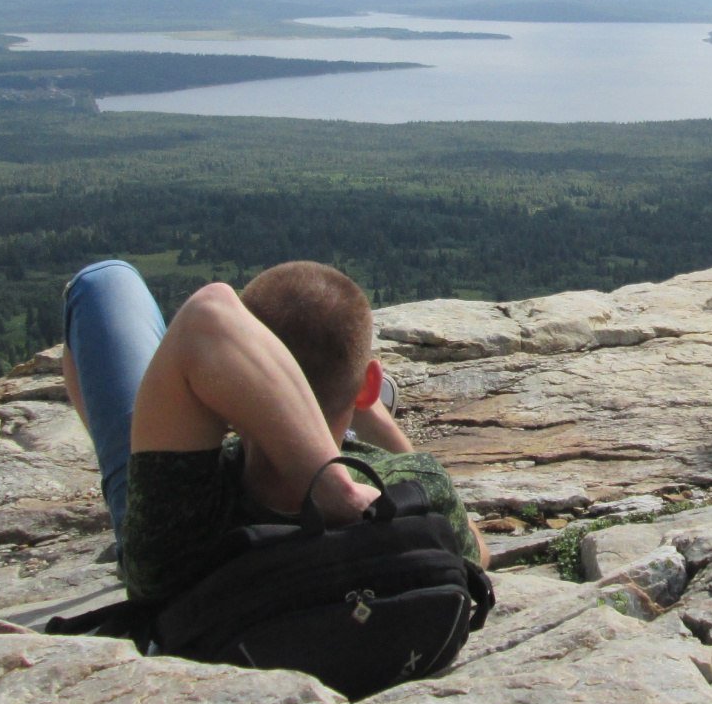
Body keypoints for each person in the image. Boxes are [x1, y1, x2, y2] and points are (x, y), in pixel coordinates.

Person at [59, 258, 486, 604]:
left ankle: (301, 409)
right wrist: (372, 414)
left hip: (198, 597)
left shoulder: (182, 511)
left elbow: (207, 315)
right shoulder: (411, 492)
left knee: (103, 281)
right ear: (367, 386)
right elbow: (476, 553)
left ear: (220, 401)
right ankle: (360, 416)